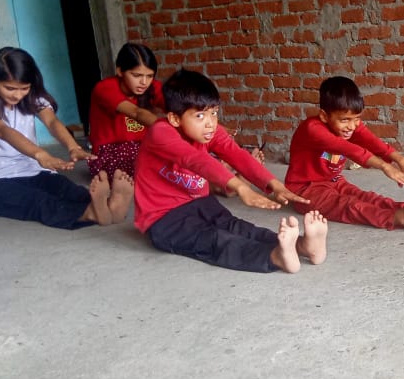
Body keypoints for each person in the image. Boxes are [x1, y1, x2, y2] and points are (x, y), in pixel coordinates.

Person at [133, 69, 327, 273]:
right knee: (213, 239)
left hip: (199, 202)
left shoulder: (209, 131)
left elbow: (237, 154)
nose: (210, 123)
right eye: (200, 115)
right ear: (174, 118)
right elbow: (196, 160)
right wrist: (241, 188)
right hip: (163, 218)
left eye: (214, 112)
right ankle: (274, 256)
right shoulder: (160, 132)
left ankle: (301, 246)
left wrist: (275, 185)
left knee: (235, 226)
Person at [0, 47, 131, 228]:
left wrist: (73, 147)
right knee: (37, 201)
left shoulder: (32, 96)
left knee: (67, 190)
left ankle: (109, 207)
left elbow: (52, 122)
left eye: (24, 88)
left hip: (34, 169)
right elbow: (2, 130)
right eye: (10, 88)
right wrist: (41, 154)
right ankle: (91, 213)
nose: (18, 95)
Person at [283, 75, 404, 231]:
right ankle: (399, 217)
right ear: (324, 116)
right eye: (345, 120)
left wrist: (401, 160)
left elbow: (374, 142)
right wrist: (385, 166)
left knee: (364, 196)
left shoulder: (351, 125)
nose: (352, 126)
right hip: (304, 190)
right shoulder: (313, 129)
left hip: (335, 181)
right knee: (348, 205)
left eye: (356, 118)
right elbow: (351, 150)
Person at [86, 42, 164, 179]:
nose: (144, 82)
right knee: (153, 168)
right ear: (120, 71)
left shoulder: (153, 87)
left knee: (176, 156)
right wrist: (167, 129)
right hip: (109, 152)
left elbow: (177, 107)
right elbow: (136, 112)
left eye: (150, 76)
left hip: (144, 147)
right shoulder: (104, 88)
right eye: (136, 75)